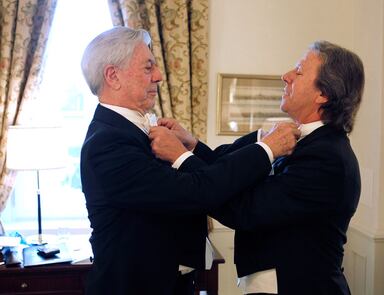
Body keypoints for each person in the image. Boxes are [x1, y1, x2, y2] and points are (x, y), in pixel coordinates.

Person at [80, 26, 300, 295]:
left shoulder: (129, 130)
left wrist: (194, 145)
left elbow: (206, 169)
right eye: (148, 68)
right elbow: (194, 191)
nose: (159, 76)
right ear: (113, 76)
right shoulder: (107, 144)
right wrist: (267, 149)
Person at [151, 40, 364, 295]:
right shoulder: (293, 136)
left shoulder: (329, 159)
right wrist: (193, 145)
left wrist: (180, 157)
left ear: (323, 94)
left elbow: (245, 209)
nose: (285, 76)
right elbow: (230, 165)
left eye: (298, 71)